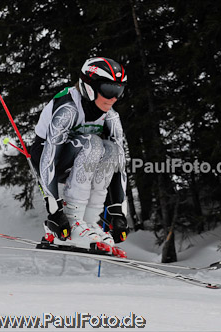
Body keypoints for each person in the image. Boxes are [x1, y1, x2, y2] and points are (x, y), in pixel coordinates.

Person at [30, 57, 129, 257]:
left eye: (119, 91)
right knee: (92, 142)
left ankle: (90, 223)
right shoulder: (68, 108)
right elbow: (48, 156)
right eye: (109, 90)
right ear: (89, 87)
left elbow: (120, 165)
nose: (113, 98)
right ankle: (74, 221)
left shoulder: (111, 116)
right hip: (48, 159)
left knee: (111, 150)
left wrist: (118, 210)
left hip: (81, 161)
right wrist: (55, 211)